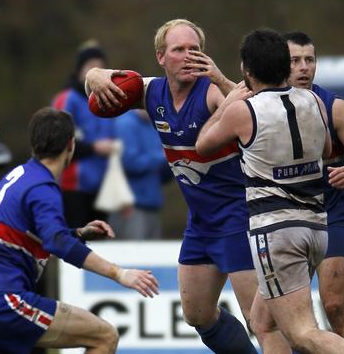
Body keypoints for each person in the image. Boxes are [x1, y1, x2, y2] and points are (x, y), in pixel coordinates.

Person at [87, 19, 287, 353]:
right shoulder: (151, 92)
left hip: (239, 218)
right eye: (178, 49)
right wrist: (94, 76)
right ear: (161, 57)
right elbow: (96, 90)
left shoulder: (211, 92)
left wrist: (222, 79)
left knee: (263, 321)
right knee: (197, 314)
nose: (187, 56)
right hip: (201, 221)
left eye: (194, 49)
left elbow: (256, 106)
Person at [196, 28, 344, 354]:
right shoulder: (312, 100)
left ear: (246, 70)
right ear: (286, 67)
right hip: (316, 226)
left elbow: (202, 145)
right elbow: (327, 148)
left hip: (276, 231)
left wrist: (228, 101)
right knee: (264, 322)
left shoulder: (245, 110)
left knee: (303, 333)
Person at [0, 108, 159, 354]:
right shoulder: (42, 187)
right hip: (4, 304)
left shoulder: (18, 176)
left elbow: (38, 234)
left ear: (34, 144)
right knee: (104, 336)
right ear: (71, 145)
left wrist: (77, 233)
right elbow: (58, 243)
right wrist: (119, 273)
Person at [284, 31, 344, 352]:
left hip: (330, 216)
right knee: (278, 317)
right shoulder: (263, 106)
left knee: (335, 305)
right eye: (295, 60)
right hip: (285, 219)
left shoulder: (336, 108)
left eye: (309, 60)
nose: (303, 67)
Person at [51, 40, 117, 227]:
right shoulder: (67, 99)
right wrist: (94, 148)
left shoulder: (108, 99)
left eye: (101, 68)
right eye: (91, 67)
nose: (96, 72)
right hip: (73, 187)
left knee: (100, 243)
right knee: (76, 242)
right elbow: (56, 140)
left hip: (103, 188)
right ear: (80, 70)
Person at [108, 109, 172, 240]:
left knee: (152, 256)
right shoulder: (126, 123)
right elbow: (130, 163)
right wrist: (165, 156)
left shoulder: (154, 124)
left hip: (152, 202)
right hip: (131, 206)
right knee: (133, 255)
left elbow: (163, 172)